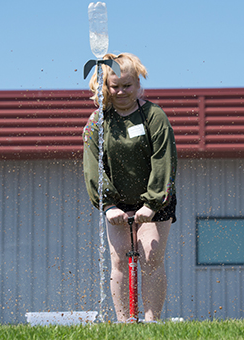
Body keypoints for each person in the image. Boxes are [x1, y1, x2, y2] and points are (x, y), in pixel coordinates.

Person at [82, 53, 178, 322]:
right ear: (105, 87)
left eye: (128, 85)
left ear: (138, 85)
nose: (121, 91)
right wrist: (108, 204)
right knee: (120, 259)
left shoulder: (154, 117)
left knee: (150, 257)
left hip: (156, 198)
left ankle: (151, 322)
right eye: (115, 86)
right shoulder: (97, 122)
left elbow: (164, 160)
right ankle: (124, 323)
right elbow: (92, 166)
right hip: (117, 201)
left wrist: (152, 202)